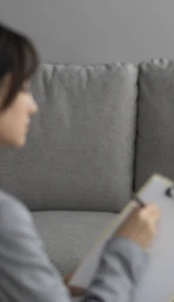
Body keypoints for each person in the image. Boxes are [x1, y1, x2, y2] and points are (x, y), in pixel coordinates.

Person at [0, 22, 162, 301]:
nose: (33, 106)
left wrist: (50, 289)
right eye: (23, 88)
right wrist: (127, 247)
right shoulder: (5, 217)